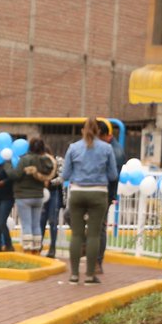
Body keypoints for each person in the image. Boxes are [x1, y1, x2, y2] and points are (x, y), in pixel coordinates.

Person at [61, 117, 119, 284]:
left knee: (77, 235)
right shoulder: (107, 148)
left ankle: (73, 275)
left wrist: (78, 176)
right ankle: (89, 275)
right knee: (94, 235)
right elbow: (113, 175)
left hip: (78, 191)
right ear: (99, 132)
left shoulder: (73, 147)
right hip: (98, 192)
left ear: (82, 131)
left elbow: (65, 174)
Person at [2, 138, 54, 254]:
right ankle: (36, 249)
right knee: (36, 224)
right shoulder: (44, 160)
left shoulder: (25, 160)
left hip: (23, 196)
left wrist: (7, 165)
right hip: (39, 196)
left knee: (26, 224)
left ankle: (28, 249)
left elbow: (15, 175)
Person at [97, 121, 125, 274]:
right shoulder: (112, 148)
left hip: (104, 192)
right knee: (99, 226)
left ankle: (97, 260)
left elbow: (112, 175)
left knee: (100, 227)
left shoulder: (112, 151)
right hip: (105, 192)